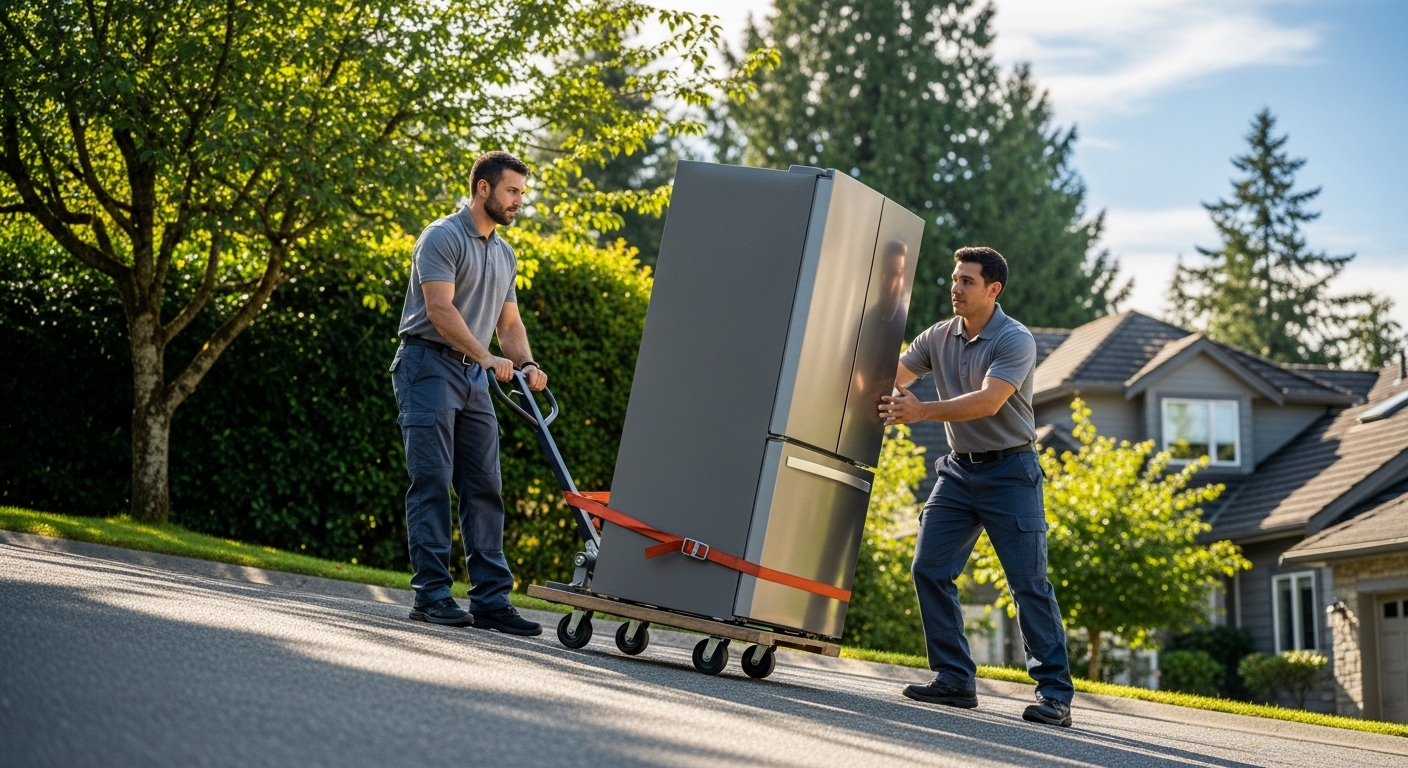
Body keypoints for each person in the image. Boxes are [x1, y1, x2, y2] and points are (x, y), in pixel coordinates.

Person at [878, 246, 1075, 727]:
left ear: (993, 289)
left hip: (1011, 473)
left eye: (967, 281)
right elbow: (892, 377)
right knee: (929, 567)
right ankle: (954, 680)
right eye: (954, 278)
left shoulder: (1015, 339)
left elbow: (989, 401)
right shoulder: (937, 336)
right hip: (959, 472)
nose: (955, 288)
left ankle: (1055, 695)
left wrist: (921, 410)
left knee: (1028, 583)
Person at [389, 151, 546, 636]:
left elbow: (511, 323)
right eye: (512, 191)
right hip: (427, 365)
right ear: (483, 188)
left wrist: (525, 363)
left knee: (484, 486)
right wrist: (485, 357)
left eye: (522, 192)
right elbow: (439, 309)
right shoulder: (442, 237)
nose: (519, 200)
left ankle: (491, 601)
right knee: (432, 481)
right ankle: (431, 596)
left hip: (475, 377)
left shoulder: (503, 252)